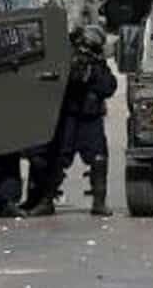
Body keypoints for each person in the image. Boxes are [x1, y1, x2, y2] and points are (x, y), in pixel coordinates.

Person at [24, 26, 118, 216]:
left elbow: (109, 87)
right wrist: (74, 69)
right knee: (57, 157)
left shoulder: (97, 63)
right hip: (68, 115)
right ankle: (46, 200)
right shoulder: (66, 56)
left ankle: (99, 202)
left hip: (90, 118)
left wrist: (92, 72)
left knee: (98, 157)